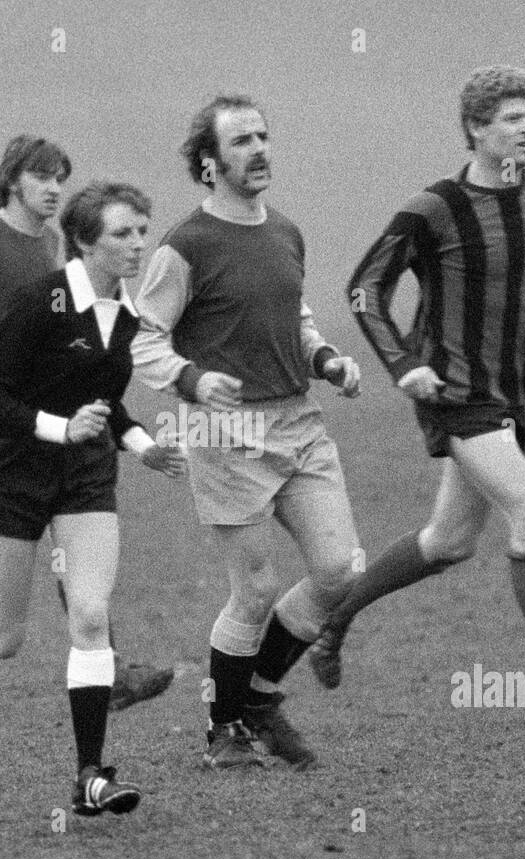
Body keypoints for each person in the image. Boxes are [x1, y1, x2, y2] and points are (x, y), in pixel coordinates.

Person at [317, 65, 525, 723]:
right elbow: (365, 288)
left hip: (508, 393)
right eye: (513, 118)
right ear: (477, 129)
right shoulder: (433, 208)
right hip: (454, 393)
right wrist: (402, 364)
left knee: (450, 541)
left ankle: (338, 611)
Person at [0, 181, 186, 815]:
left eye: (143, 230)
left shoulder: (130, 315)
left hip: (83, 478)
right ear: (84, 240)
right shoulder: (40, 301)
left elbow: (105, 403)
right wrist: (58, 427)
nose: (138, 244)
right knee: (5, 639)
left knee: (89, 617)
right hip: (9, 476)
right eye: (122, 233)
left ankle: (91, 776)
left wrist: (142, 445)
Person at [132, 95, 363, 770]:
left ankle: (258, 695)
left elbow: (295, 314)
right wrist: (190, 381)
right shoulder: (185, 246)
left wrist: (328, 360)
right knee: (256, 591)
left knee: (338, 569)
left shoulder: (286, 231)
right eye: (240, 142)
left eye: (263, 135)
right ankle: (223, 729)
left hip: (300, 421)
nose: (259, 149)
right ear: (209, 165)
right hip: (228, 434)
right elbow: (144, 336)